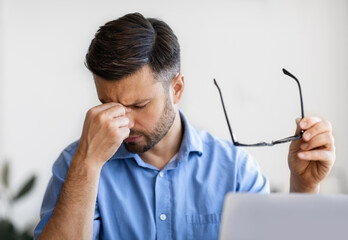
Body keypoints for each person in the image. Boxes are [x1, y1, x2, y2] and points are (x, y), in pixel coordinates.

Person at [34, 13, 335, 240]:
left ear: (176, 89)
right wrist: (88, 165)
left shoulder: (236, 171)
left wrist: (305, 188)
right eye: (107, 105)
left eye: (139, 105)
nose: (123, 123)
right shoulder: (76, 165)